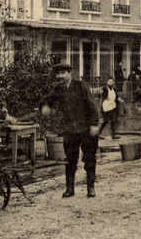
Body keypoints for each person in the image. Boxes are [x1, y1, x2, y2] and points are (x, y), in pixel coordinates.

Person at [42, 63, 100, 198]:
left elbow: (92, 106)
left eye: (63, 73)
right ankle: (70, 188)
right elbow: (48, 100)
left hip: (86, 128)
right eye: (58, 74)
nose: (60, 76)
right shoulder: (58, 89)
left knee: (89, 158)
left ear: (70, 73)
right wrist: (45, 106)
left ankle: (91, 188)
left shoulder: (81, 86)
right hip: (69, 130)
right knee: (70, 159)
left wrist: (94, 124)